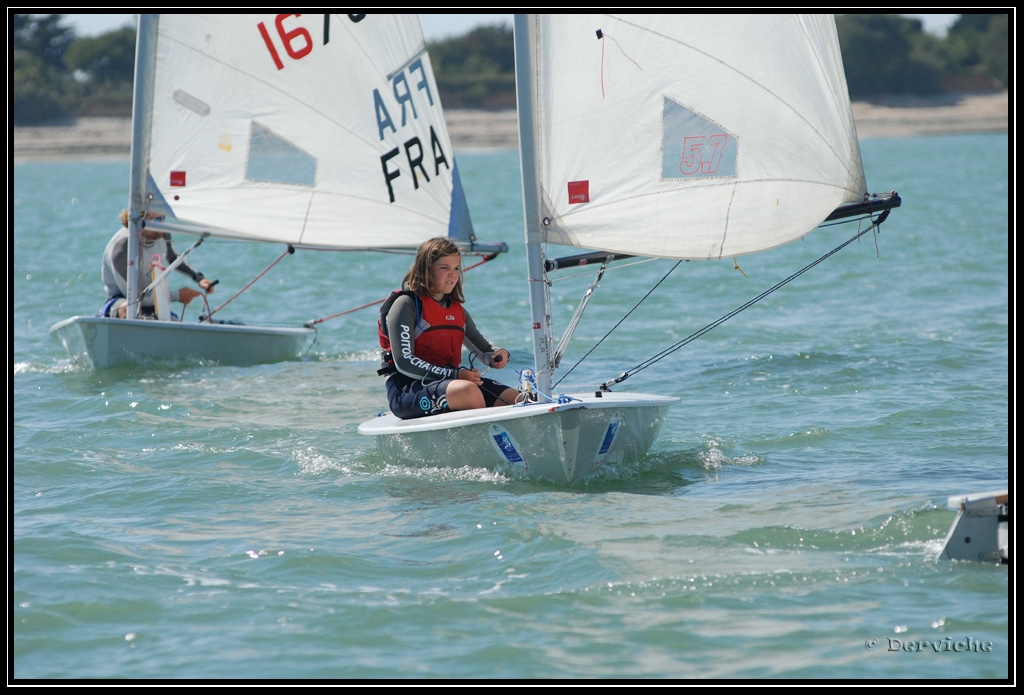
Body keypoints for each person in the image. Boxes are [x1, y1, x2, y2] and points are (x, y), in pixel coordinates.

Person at [378, 237, 520, 419]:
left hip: (449, 382)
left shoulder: (458, 311)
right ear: (426, 270)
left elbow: (484, 350)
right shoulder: (406, 305)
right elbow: (404, 361)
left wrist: (497, 354)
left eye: (456, 268)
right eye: (444, 268)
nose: (452, 274)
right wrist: (456, 374)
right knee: (468, 391)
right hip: (407, 389)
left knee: (516, 398)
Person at [100, 210, 215, 319]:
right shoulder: (122, 249)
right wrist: (177, 295)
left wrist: (199, 278)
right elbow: (134, 298)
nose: (161, 225)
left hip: (153, 303)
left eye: (162, 219)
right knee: (129, 308)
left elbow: (174, 258)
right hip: (121, 302)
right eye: (156, 221)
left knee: (172, 319)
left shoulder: (162, 234)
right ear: (140, 220)